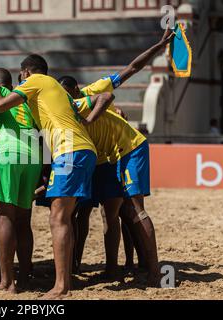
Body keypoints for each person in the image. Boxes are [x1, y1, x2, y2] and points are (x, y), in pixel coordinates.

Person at [0, 54, 114, 298]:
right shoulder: (60, 91)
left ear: (26, 73)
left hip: (69, 150)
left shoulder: (35, 81)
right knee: (65, 216)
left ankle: (62, 286)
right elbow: (107, 96)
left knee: (59, 218)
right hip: (82, 150)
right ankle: (65, 277)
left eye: (22, 75)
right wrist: (88, 120)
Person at [58, 27, 174, 286]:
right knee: (101, 214)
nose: (66, 101)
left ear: (77, 91)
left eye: (69, 96)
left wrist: (159, 46)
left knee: (133, 210)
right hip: (101, 160)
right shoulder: (61, 109)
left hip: (128, 149)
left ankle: (154, 271)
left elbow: (131, 69)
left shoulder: (91, 93)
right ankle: (110, 269)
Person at [0, 68, 42, 293]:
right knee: (24, 219)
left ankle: (7, 283)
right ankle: (25, 276)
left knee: (4, 218)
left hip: (6, 153)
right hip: (33, 156)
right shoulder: (23, 97)